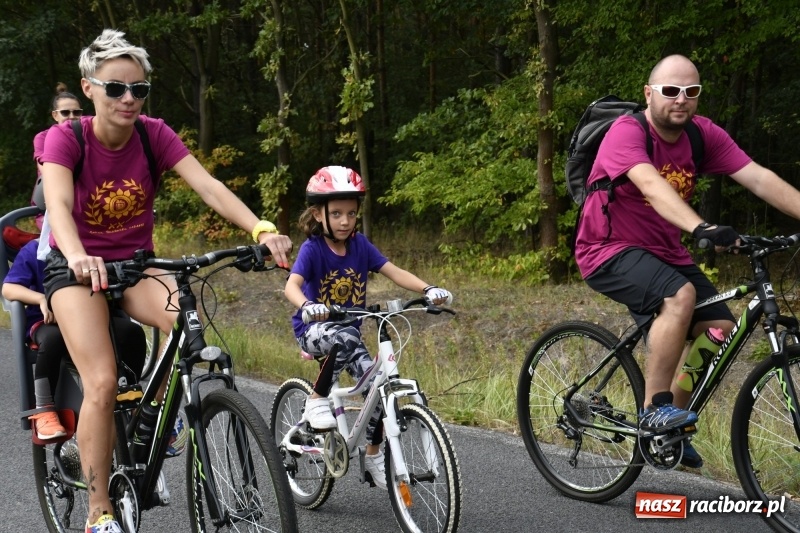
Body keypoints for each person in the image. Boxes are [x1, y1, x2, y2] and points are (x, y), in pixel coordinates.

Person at [40, 29, 292, 533]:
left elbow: (208, 185)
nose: (129, 99)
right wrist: (78, 255)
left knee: (190, 331)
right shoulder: (66, 139)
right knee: (104, 381)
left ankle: (151, 425)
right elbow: (59, 208)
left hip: (135, 265)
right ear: (89, 89)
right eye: (116, 88)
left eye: (139, 90)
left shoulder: (154, 134)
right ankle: (98, 512)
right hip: (74, 270)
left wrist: (260, 228)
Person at [574, 54, 800, 469]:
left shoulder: (701, 135)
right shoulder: (627, 132)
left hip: (664, 252)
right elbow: (651, 185)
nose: (681, 99)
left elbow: (757, 177)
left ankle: (668, 431)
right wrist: (701, 228)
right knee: (680, 295)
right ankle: (654, 410)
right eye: (671, 90)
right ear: (649, 93)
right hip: (606, 248)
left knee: (720, 329)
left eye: (691, 91)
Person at [284, 165, 453, 490]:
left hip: (347, 336)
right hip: (313, 332)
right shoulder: (313, 249)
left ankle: (373, 454)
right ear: (319, 215)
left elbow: (393, 271)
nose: (345, 220)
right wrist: (307, 305)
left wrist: (427, 289)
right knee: (343, 336)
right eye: (336, 213)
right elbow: (292, 286)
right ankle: (317, 399)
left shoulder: (360, 245)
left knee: (380, 384)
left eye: (351, 213)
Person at [2, 239, 145, 440]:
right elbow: (9, 288)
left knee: (132, 333)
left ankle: (130, 397)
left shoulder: (90, 247)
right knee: (54, 339)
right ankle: (44, 408)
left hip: (90, 320)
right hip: (49, 323)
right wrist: (41, 299)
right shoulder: (33, 250)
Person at [32, 84, 84, 229]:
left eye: (77, 112)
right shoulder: (43, 137)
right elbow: (44, 168)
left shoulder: (88, 136)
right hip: (51, 203)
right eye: (65, 113)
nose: (72, 117)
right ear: (55, 115)